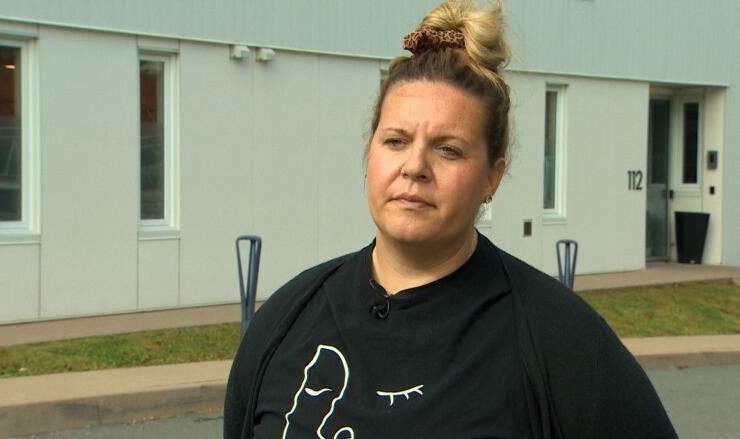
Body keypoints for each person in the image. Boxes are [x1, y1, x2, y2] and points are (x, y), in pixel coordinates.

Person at [224, 1, 677, 437]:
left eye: (449, 149)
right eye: (396, 141)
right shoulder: (287, 319)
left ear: (491, 178)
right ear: (369, 154)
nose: (415, 166)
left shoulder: (560, 342)